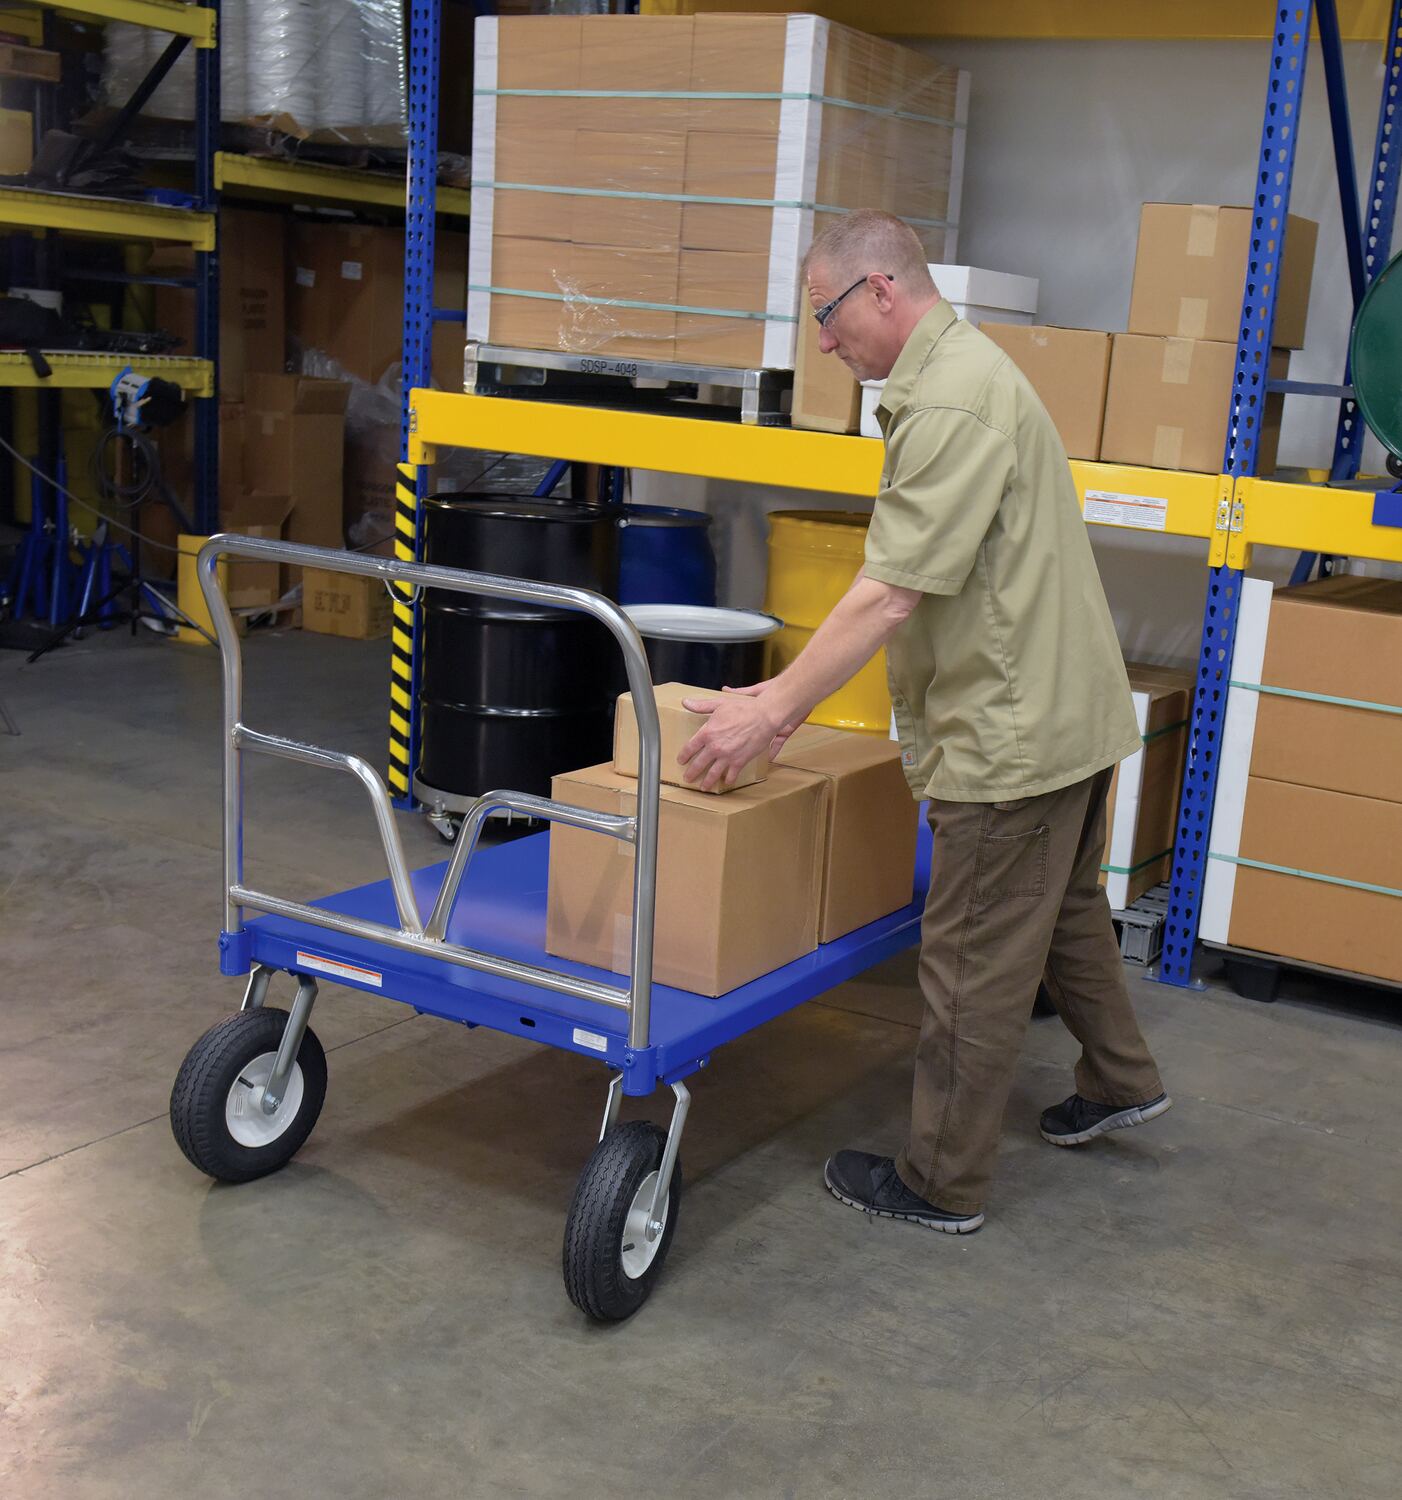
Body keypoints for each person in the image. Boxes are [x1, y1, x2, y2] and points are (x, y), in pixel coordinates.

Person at [677, 209, 1170, 1235]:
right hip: (1067, 712)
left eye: (826, 314)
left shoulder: (949, 401)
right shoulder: (963, 374)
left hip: (1013, 733)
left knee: (969, 961)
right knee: (1062, 911)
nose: (822, 343)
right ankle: (1122, 1079)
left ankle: (941, 1180)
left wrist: (772, 711)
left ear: (881, 291)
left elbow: (889, 593)